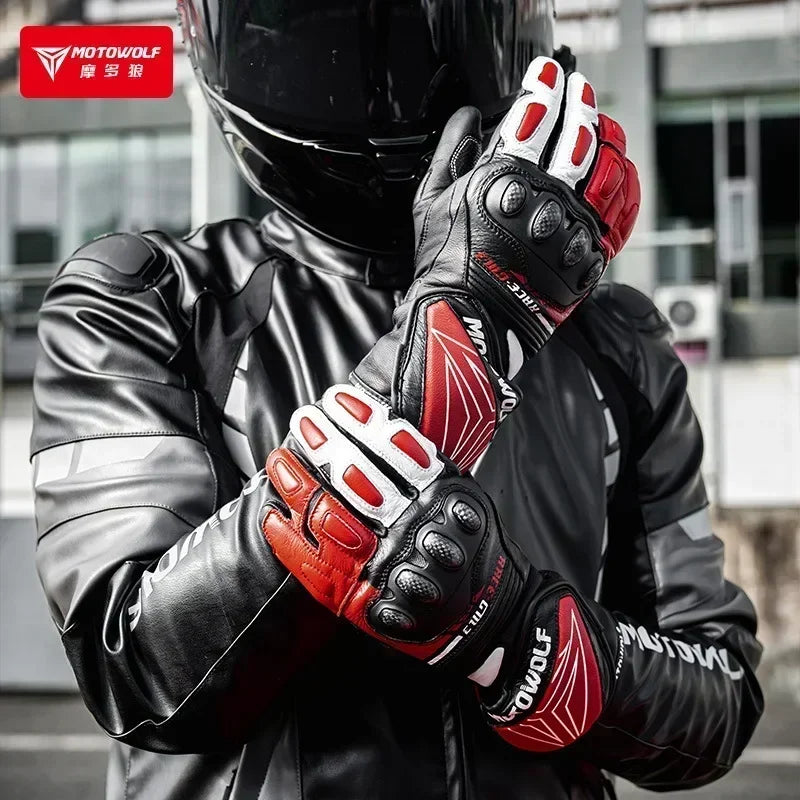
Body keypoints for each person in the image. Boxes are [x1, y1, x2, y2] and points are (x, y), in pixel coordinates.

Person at [31, 2, 763, 799]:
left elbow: (718, 697)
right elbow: (137, 670)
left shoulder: (617, 343)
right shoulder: (149, 299)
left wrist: (519, 638)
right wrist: (466, 322)